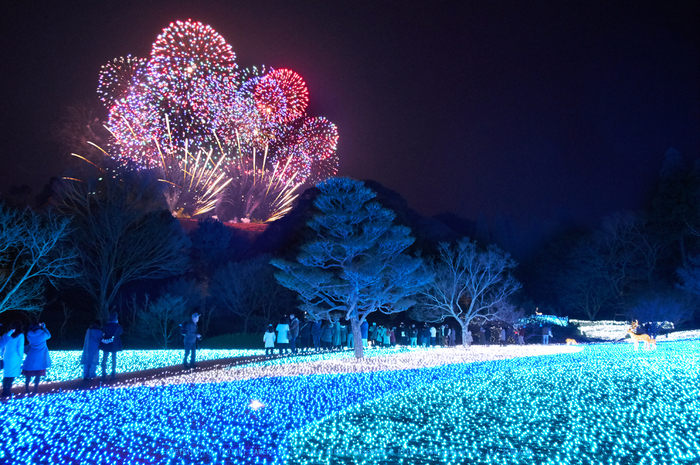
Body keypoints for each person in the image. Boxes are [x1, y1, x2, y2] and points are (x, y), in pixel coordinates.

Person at [22, 322, 52, 394]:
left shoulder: (29, 334)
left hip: (31, 355)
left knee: (28, 373)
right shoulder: (43, 334)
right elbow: (49, 335)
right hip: (40, 356)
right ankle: (35, 389)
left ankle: (26, 388)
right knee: (38, 374)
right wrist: (44, 327)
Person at [1, 321, 24, 398]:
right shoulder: (20, 335)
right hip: (15, 356)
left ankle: (4, 391)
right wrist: (21, 356)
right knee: (12, 375)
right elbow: (20, 347)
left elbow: (3, 345)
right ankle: (7, 391)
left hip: (6, 356)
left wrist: (2, 354)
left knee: (6, 374)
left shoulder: (8, 334)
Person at [101, 312, 124, 379]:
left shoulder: (105, 326)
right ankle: (113, 374)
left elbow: (102, 333)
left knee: (104, 358)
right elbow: (120, 332)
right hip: (114, 344)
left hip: (106, 344)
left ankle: (103, 374)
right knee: (114, 359)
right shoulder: (118, 327)